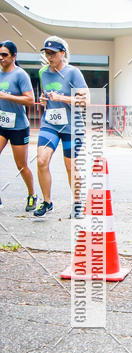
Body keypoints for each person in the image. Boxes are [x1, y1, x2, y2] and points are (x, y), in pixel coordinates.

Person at [33, 37, 89, 218]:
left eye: (53, 53)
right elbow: (46, 96)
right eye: (47, 53)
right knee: (42, 160)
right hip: (50, 123)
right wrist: (44, 100)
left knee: (70, 166)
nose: (49, 56)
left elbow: (85, 101)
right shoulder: (43, 72)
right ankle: (47, 202)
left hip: (71, 126)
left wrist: (62, 98)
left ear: (62, 53)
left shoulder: (73, 73)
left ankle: (77, 204)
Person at [0, 40, 37, 211]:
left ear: (14, 56)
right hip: (2, 124)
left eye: (4, 54)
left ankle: (32, 194)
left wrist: (6, 96)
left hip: (18, 127)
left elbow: (30, 100)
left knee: (21, 166)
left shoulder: (20, 75)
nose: (1, 58)